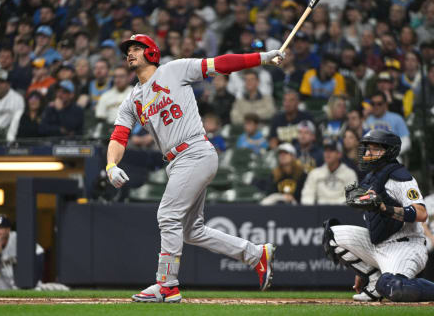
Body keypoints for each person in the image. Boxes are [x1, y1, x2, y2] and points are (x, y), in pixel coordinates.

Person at [106, 34, 285, 303]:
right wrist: (110, 165)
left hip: (195, 151)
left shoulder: (173, 70)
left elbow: (221, 64)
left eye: (136, 49)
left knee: (167, 215)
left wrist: (261, 58)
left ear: (151, 52)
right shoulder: (133, 99)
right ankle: (255, 254)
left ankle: (166, 285)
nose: (130, 53)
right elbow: (119, 135)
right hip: (177, 162)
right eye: (128, 50)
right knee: (191, 231)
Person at [322, 129, 434, 302]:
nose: (367, 153)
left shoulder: (401, 177)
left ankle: (383, 282)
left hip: (405, 246)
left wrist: (385, 208)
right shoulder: (370, 179)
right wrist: (363, 270)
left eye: (374, 149)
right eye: (367, 149)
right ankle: (374, 280)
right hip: (378, 245)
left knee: (393, 287)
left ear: (389, 151)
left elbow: (421, 213)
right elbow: (374, 224)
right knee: (332, 234)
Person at [0, 214, 44, 290]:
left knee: (36, 290)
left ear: (8, 229)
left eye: (0, 228)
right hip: (6, 283)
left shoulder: (18, 238)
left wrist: (33, 280)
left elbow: (40, 252)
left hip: (25, 282)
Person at [301, 137, 357, 205]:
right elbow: (307, 196)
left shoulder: (349, 174)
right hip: (318, 212)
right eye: (326, 150)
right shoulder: (314, 174)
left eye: (331, 150)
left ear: (339, 154)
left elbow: (352, 198)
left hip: (342, 211)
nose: (328, 153)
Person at [364, 91, 411, 155]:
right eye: (373, 104)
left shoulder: (397, 118)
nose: (376, 106)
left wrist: (391, 153)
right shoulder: (367, 120)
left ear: (385, 104)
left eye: (379, 104)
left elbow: (407, 142)